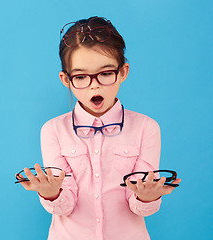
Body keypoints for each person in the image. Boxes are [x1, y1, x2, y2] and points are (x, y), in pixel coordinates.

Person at [16, 16, 181, 240]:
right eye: (81, 76)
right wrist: (51, 193)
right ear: (66, 79)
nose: (94, 84)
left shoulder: (146, 128)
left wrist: (147, 197)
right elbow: (64, 207)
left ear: (123, 72)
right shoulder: (52, 130)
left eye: (105, 73)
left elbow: (140, 209)